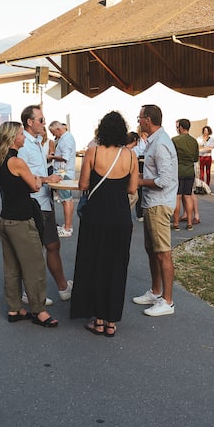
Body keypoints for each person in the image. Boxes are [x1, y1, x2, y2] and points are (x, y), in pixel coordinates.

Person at [70, 111, 139, 337]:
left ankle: (97, 319)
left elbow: (83, 184)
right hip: (120, 215)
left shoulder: (93, 152)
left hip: (96, 214)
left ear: (101, 130)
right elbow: (131, 189)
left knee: (95, 264)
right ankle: (111, 321)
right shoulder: (130, 156)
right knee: (117, 266)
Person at [0, 121, 57, 328]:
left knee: (11, 267)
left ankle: (14, 308)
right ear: (13, 138)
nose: (23, 137)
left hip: (5, 219)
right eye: (21, 134)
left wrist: (34, 178)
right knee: (34, 267)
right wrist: (41, 179)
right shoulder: (17, 161)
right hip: (21, 220)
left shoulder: (0, 159)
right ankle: (39, 311)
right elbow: (34, 187)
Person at [18, 105, 71, 302]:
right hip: (35, 203)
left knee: (53, 245)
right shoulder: (23, 144)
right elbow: (22, 174)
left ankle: (63, 287)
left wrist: (50, 179)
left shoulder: (38, 141)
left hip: (45, 201)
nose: (44, 123)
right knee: (35, 250)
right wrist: (48, 179)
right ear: (30, 122)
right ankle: (30, 293)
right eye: (40, 120)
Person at [132, 104, 179, 317]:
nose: (138, 120)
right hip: (152, 203)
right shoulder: (154, 141)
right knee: (152, 251)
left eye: (140, 117)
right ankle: (156, 291)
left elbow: (164, 180)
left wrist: (140, 181)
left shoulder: (160, 144)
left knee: (162, 253)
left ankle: (167, 301)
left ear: (148, 120)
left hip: (159, 203)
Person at [48, 121, 77, 238]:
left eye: (53, 132)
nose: (54, 135)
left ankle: (67, 228)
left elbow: (65, 157)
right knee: (67, 200)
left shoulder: (65, 140)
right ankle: (67, 225)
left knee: (66, 200)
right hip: (65, 172)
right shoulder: (67, 138)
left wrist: (52, 156)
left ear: (58, 129)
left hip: (63, 173)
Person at [172, 118, 199, 231]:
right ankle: (189, 223)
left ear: (181, 128)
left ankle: (176, 223)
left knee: (177, 197)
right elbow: (195, 158)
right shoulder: (194, 141)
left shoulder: (175, 140)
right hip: (189, 171)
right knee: (187, 196)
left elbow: (171, 156)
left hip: (178, 171)